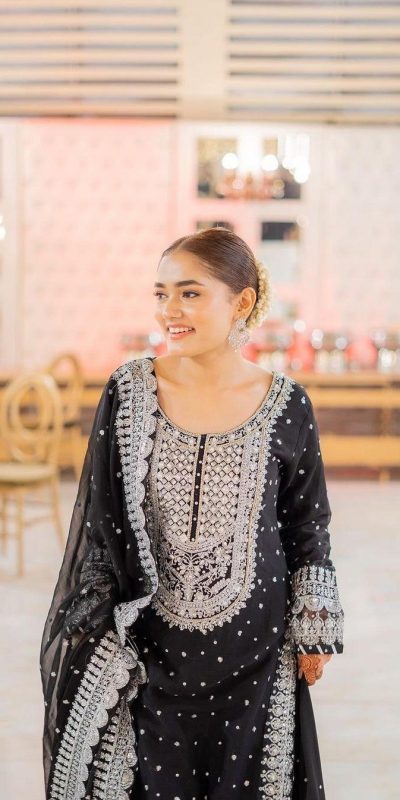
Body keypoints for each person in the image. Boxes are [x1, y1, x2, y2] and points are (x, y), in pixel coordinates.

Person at [40, 227, 344, 800]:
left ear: (242, 302)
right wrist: (97, 634)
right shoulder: (130, 391)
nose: (169, 310)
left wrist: (315, 626)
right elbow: (101, 524)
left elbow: (307, 523)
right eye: (161, 294)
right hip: (149, 651)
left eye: (190, 293)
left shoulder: (287, 404)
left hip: (258, 652)